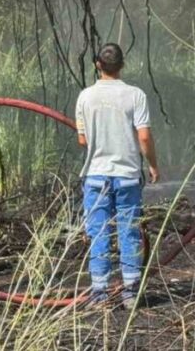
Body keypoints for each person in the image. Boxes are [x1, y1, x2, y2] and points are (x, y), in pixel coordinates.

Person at [76, 43, 159, 309]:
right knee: (129, 232)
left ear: (97, 64)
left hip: (96, 176)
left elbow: (82, 140)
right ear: (122, 65)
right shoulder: (136, 95)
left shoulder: (85, 97)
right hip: (127, 176)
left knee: (98, 233)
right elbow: (144, 137)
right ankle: (130, 294)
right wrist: (153, 165)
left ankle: (99, 294)